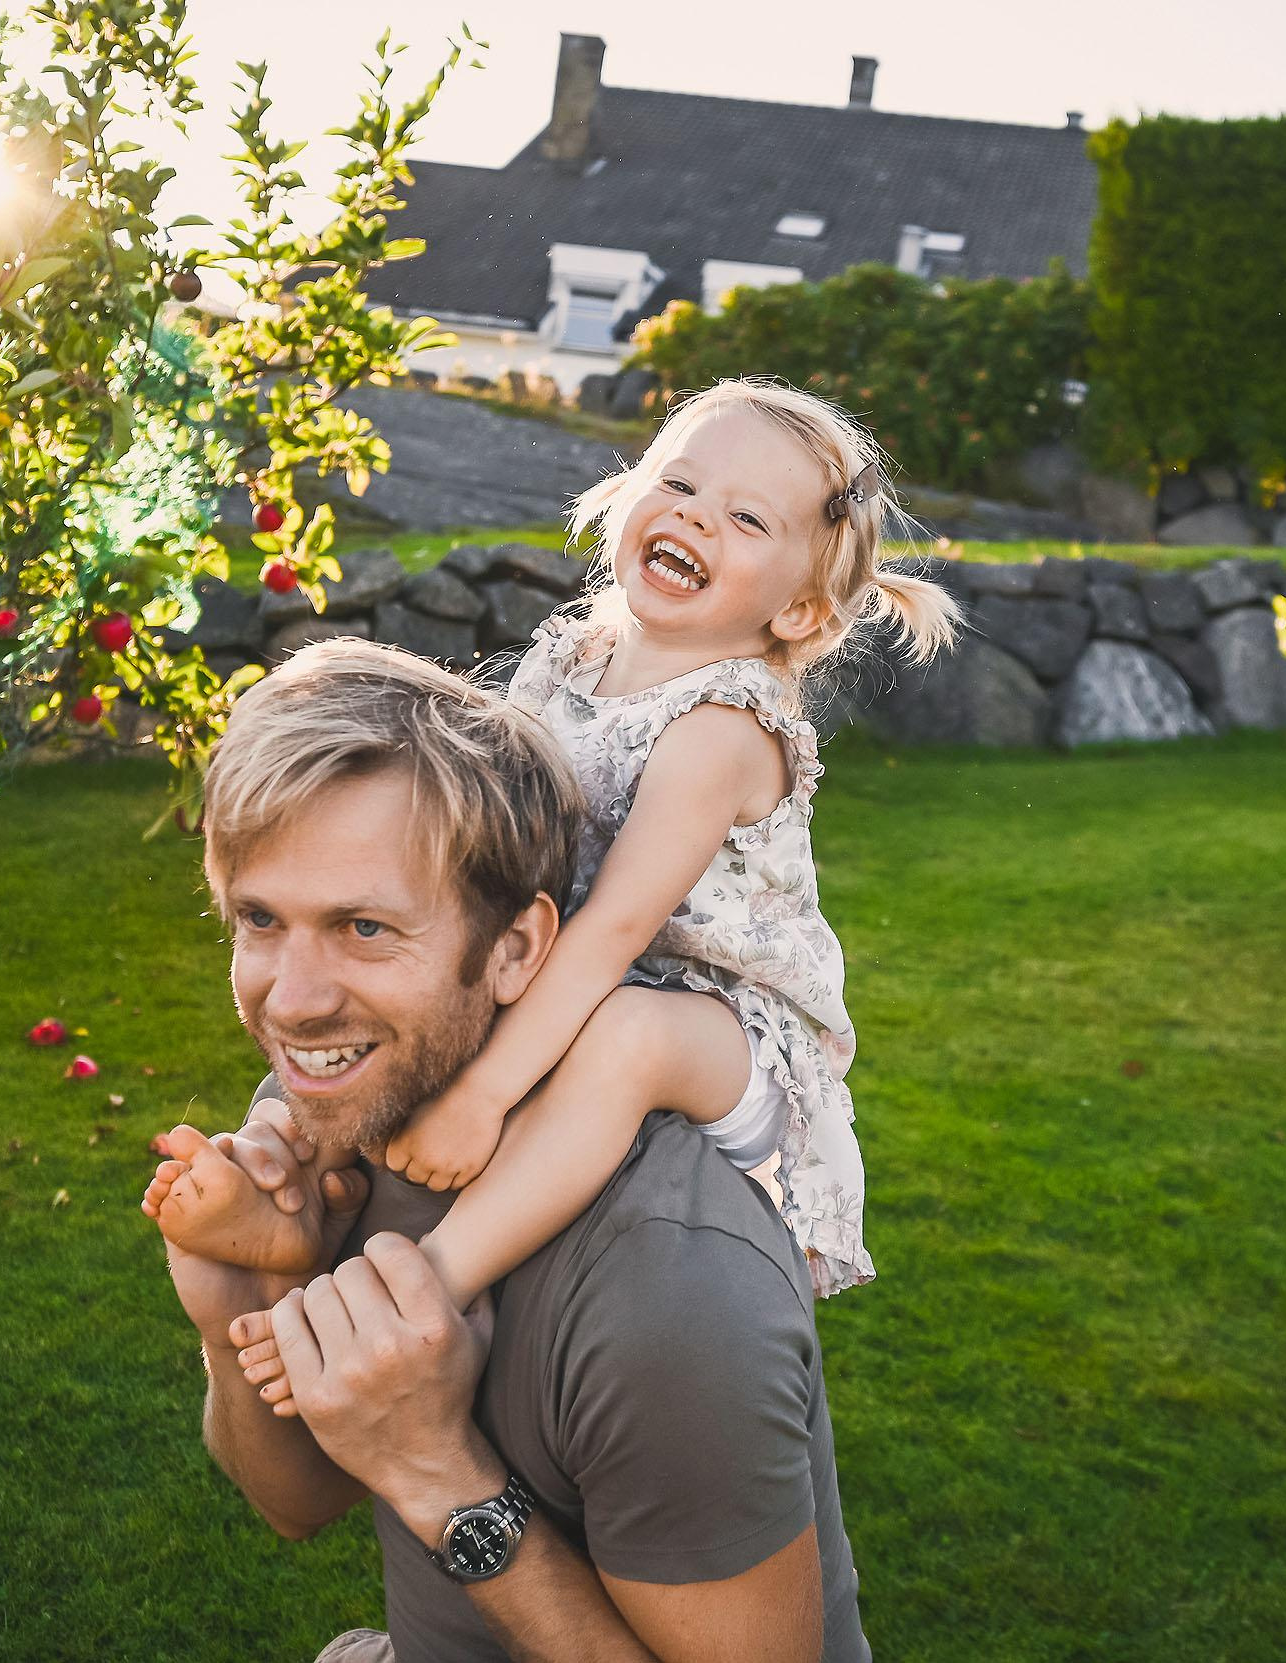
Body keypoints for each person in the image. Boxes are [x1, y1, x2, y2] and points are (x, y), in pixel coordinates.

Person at [182, 379, 958, 1416]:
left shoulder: (725, 726)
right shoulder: (576, 652)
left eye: (744, 517)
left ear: (800, 608)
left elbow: (618, 928)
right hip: (586, 965)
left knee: (624, 1034)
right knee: (421, 977)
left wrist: (487, 1091)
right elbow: (480, 810)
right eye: (678, 482)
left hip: (727, 1022)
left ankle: (427, 1283)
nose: (692, 515)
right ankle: (297, 1183)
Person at [143, 638, 867, 1660]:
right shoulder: (348, 1106)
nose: (292, 1001)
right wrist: (237, 1309)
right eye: (260, 919)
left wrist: (439, 1473)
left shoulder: (670, 1297)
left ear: (519, 947)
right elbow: (296, 1500)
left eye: (361, 928)